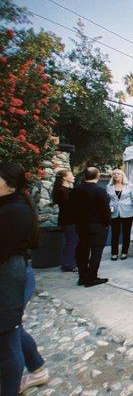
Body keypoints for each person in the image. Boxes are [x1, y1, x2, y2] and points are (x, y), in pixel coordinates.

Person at [0, 162, 49, 395]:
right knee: (11, 330)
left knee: (7, 335)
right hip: (12, 276)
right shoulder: (11, 205)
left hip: (12, 278)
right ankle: (38, 369)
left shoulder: (16, 210)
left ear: (8, 183)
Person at [71, 167, 111, 287]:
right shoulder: (99, 191)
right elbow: (105, 210)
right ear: (98, 176)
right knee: (96, 252)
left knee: (82, 251)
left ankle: (82, 277)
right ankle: (91, 278)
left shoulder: (76, 190)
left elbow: (72, 208)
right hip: (97, 226)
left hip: (81, 226)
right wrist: (106, 223)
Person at [106, 169, 133, 260]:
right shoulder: (109, 187)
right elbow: (108, 200)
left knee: (126, 233)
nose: (116, 175)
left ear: (122, 176)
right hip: (114, 212)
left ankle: (124, 252)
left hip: (128, 212)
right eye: (114, 174)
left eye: (118, 174)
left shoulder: (129, 186)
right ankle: (114, 253)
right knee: (115, 233)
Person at [52, 169, 78, 272]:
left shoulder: (67, 190)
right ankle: (68, 264)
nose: (73, 177)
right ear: (64, 177)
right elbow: (69, 206)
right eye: (71, 175)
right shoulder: (61, 190)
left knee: (72, 242)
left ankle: (70, 263)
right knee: (72, 242)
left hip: (71, 220)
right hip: (68, 220)